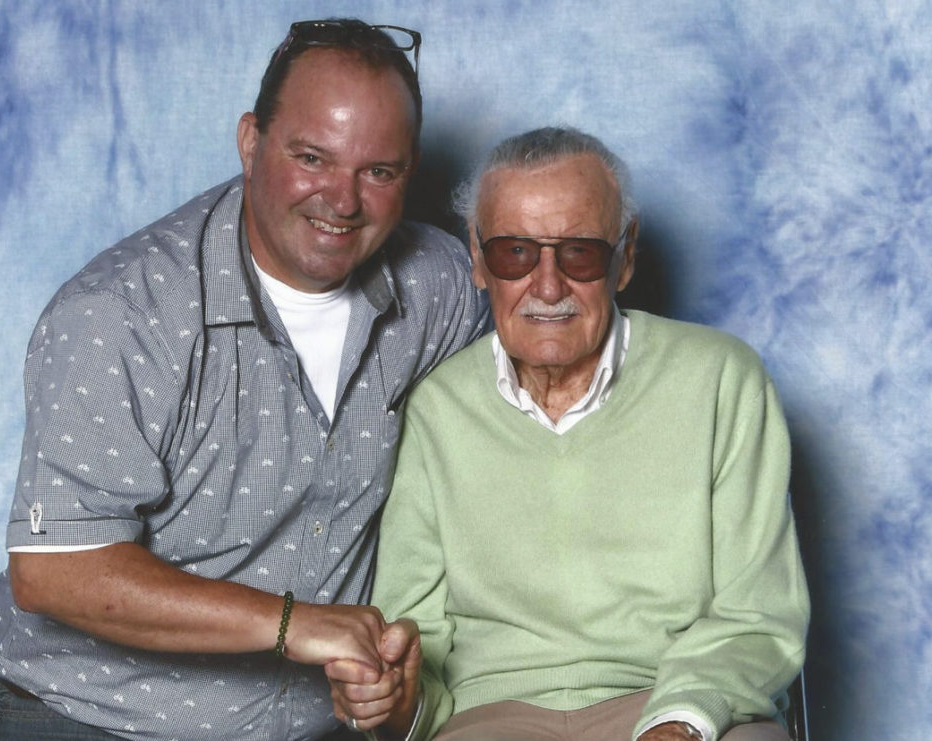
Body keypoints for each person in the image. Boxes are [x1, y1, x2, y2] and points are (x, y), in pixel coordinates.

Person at [0, 19, 487, 741]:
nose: (342, 200)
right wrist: (293, 623)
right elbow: (56, 572)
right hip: (91, 718)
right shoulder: (120, 313)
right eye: (312, 157)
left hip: (317, 723)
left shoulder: (442, 287)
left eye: (379, 171)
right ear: (251, 142)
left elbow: (526, 406)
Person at [326, 127, 809, 741]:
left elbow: (759, 615)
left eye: (579, 253)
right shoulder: (437, 409)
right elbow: (416, 647)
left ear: (624, 257)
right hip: (490, 719)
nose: (548, 287)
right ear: (478, 259)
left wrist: (682, 721)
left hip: (679, 701)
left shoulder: (721, 380)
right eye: (515, 253)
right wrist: (393, 698)